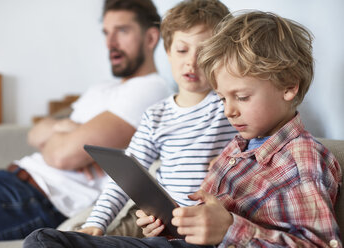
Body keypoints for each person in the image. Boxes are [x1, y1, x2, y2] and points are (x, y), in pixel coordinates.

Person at [24, 10, 342, 248]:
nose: (229, 110)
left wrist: (229, 229)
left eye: (241, 97)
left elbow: (318, 245)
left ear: (289, 87)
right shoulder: (237, 147)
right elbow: (206, 222)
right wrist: (174, 225)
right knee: (45, 240)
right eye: (222, 97)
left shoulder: (302, 158)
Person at [30, 0, 237, 240]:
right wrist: (96, 222)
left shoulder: (228, 104)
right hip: (160, 219)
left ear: (221, 55)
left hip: (205, 224)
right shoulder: (155, 116)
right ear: (168, 52)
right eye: (182, 50)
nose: (191, 62)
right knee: (59, 239)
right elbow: (124, 178)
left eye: (204, 52)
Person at [0, 0, 171, 242]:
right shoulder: (101, 89)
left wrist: (63, 137)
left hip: (37, 198)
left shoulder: (150, 90)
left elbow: (61, 156)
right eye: (106, 33)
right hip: (10, 181)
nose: (110, 43)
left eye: (122, 30)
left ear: (151, 38)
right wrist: (69, 129)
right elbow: (34, 134)